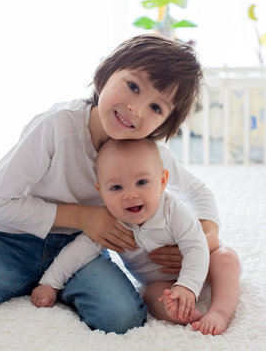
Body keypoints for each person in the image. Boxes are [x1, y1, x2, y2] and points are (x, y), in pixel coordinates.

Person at [0, 33, 240, 337]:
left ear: (163, 124)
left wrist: (205, 235)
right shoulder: (56, 127)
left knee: (122, 319)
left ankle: (51, 282)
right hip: (12, 239)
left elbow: (198, 193)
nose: (135, 109)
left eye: (156, 107)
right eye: (133, 86)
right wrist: (85, 217)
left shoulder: (149, 155)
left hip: (81, 249)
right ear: (103, 74)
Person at [31, 138, 210, 325]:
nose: (130, 195)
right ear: (101, 192)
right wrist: (50, 283)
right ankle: (181, 313)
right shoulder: (111, 224)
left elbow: (196, 247)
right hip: (160, 284)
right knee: (153, 296)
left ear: (163, 181)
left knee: (225, 260)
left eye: (142, 182)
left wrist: (187, 285)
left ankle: (219, 311)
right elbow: (78, 252)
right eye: (116, 187)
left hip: (204, 268)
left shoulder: (172, 210)